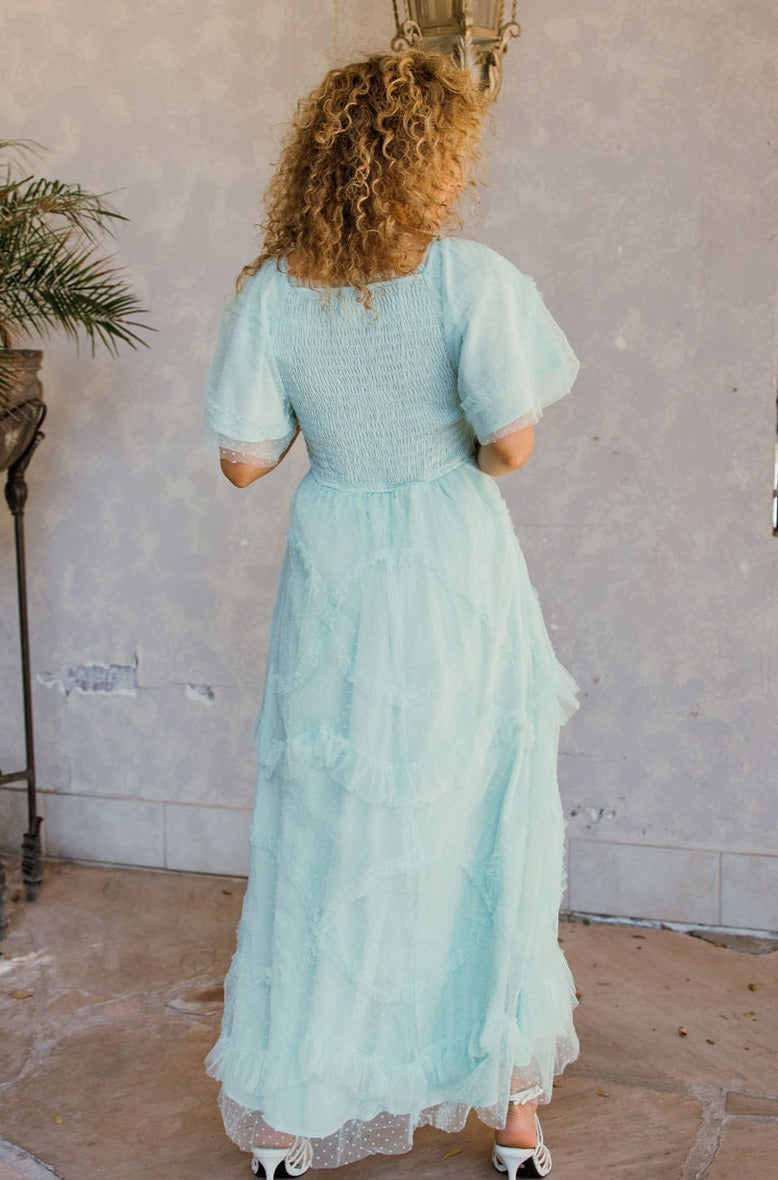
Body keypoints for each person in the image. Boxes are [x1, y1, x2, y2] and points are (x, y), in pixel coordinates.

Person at [203, 47, 581, 1180]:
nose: (463, 173)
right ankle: (515, 1118)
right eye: (454, 154)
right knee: (482, 814)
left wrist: (339, 420)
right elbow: (511, 443)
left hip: (338, 573)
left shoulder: (273, 293)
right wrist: (443, 443)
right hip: (453, 567)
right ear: (424, 161)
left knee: (327, 822)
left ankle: (287, 1122)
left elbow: (243, 460)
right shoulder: (473, 281)